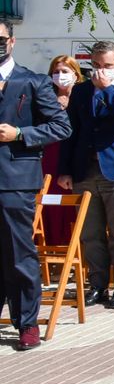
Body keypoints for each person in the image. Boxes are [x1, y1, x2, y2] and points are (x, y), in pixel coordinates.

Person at [60, 40, 114, 310]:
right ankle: (97, 285)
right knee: (90, 233)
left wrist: (109, 90)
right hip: (85, 170)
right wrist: (65, 169)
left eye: (108, 66)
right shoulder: (81, 91)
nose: (101, 71)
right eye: (96, 66)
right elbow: (70, 132)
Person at [0, 23, 72, 350]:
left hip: (16, 180)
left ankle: (27, 323)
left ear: (12, 41)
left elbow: (60, 126)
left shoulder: (33, 81)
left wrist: (21, 135)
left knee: (19, 253)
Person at [40, 55, 80, 246]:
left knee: (72, 205)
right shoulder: (45, 96)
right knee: (49, 203)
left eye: (65, 71)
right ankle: (50, 246)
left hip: (74, 155)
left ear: (75, 74)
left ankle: (73, 250)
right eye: (56, 72)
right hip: (49, 154)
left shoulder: (82, 96)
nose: (60, 75)